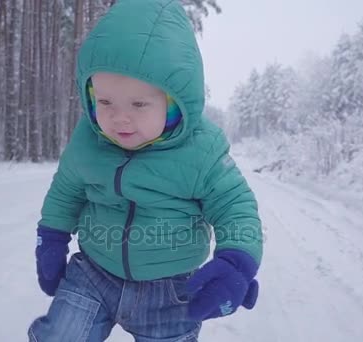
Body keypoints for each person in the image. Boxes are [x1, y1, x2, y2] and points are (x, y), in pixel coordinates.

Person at [28, 0, 263, 341]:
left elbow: (235, 207)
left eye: (139, 104)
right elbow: (66, 191)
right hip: (94, 273)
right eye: (105, 102)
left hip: (170, 290)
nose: (118, 118)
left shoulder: (202, 149)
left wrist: (237, 262)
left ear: (174, 102)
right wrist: (50, 237)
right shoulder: (88, 139)